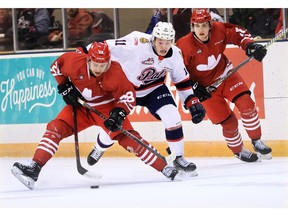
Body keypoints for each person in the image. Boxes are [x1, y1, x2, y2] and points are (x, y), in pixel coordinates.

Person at [11, 42, 181, 190]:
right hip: (81, 106)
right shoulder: (73, 61)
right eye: (96, 64)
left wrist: (119, 112)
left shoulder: (115, 71)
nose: (99, 69)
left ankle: (163, 167)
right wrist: (64, 86)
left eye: (103, 65)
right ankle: (34, 168)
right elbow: (55, 67)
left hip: (106, 108)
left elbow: (128, 95)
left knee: (129, 138)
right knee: (55, 127)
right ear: (88, 60)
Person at [82, 22, 206, 176]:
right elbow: (104, 46)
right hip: (125, 90)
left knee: (173, 116)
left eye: (168, 42)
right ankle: (99, 147)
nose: (164, 46)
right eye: (160, 41)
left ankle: (178, 158)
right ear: (153, 39)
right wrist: (80, 54)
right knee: (114, 125)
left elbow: (181, 82)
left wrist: (191, 101)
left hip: (154, 89)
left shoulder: (175, 55)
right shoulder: (136, 42)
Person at [176, 9, 272, 162]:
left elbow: (238, 33)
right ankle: (238, 150)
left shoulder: (219, 30)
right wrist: (193, 87)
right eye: (197, 25)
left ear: (210, 25)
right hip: (205, 90)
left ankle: (256, 140)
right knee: (229, 123)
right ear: (192, 26)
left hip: (226, 76)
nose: (201, 29)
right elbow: (177, 72)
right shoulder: (183, 45)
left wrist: (249, 45)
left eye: (204, 25)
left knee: (246, 104)